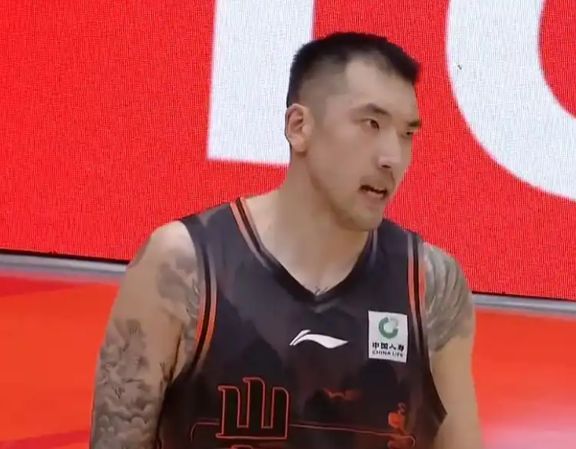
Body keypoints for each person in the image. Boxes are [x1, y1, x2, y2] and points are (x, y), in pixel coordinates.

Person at [90, 32, 482, 449]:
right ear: (299, 127)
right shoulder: (182, 266)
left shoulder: (431, 284)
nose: (392, 157)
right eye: (372, 124)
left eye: (407, 134)